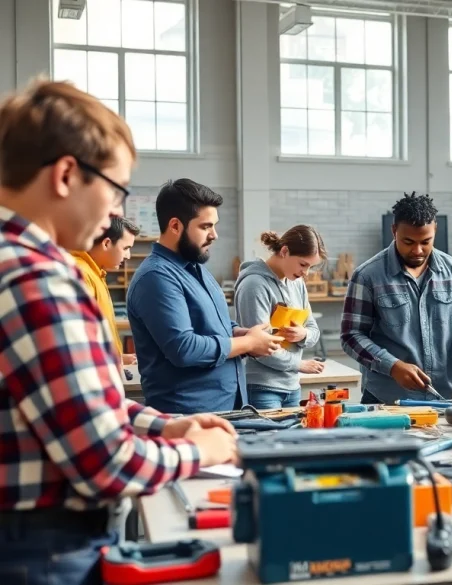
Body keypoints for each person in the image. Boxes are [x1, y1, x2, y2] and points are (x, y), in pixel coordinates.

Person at [0, 79, 237, 585]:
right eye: (115, 190)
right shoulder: (35, 278)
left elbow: (71, 398)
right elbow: (106, 464)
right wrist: (203, 452)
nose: (116, 213)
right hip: (43, 548)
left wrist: (161, 425)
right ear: (66, 174)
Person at [127, 179, 282, 414]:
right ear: (175, 226)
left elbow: (215, 325)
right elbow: (184, 348)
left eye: (214, 225)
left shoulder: (197, 269)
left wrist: (243, 334)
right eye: (205, 226)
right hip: (188, 416)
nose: (214, 235)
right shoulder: (156, 277)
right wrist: (247, 343)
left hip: (226, 410)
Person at [341, 192, 452, 404]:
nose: (417, 250)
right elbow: (351, 335)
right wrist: (391, 365)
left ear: (435, 229)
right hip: (385, 400)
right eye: (408, 241)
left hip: (443, 397)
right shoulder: (367, 276)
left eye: (425, 241)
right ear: (394, 231)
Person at [235, 226, 327, 409]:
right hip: (262, 388)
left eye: (310, 267)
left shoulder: (297, 283)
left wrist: (303, 334)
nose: (306, 273)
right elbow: (257, 348)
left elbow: (313, 330)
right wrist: (299, 364)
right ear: (284, 251)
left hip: (292, 386)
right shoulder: (254, 285)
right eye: (303, 265)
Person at [71, 216, 141, 366]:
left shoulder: (95, 273)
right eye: (126, 248)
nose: (128, 256)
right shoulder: (81, 274)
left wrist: (118, 358)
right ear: (107, 243)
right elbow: (80, 341)